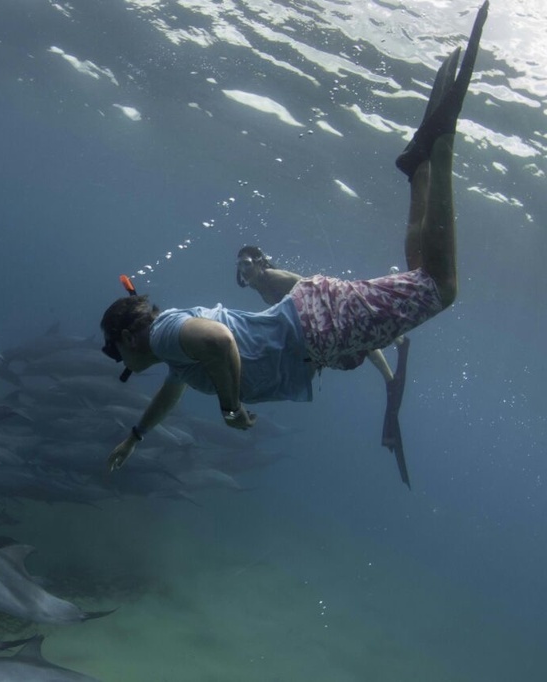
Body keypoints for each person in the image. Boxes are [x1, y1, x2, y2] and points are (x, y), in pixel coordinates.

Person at [100, 2, 489, 484]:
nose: (122, 364)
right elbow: (172, 389)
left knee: (440, 288)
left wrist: (229, 408)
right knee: (420, 277)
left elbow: (220, 341)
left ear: (126, 337)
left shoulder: (163, 334)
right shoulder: (172, 352)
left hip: (318, 328)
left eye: (115, 354)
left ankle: (441, 148)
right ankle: (419, 169)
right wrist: (135, 436)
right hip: (319, 330)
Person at [235, 246, 412, 484]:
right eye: (240, 265)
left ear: (259, 263)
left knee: (355, 336)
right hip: (307, 320)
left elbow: (305, 286)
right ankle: (394, 352)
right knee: (354, 341)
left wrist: (327, 312)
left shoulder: (272, 277)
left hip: (320, 304)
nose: (243, 269)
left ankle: (390, 375)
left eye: (246, 263)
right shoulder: (257, 284)